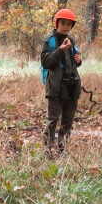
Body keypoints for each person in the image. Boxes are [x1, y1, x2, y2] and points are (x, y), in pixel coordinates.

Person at [40, 8, 82, 156]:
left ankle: (62, 149)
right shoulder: (49, 40)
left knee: (67, 121)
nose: (65, 26)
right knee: (52, 120)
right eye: (63, 23)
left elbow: (72, 63)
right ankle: (48, 150)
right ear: (56, 23)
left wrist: (78, 61)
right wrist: (60, 50)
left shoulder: (72, 39)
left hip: (72, 85)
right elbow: (46, 62)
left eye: (69, 24)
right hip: (55, 87)